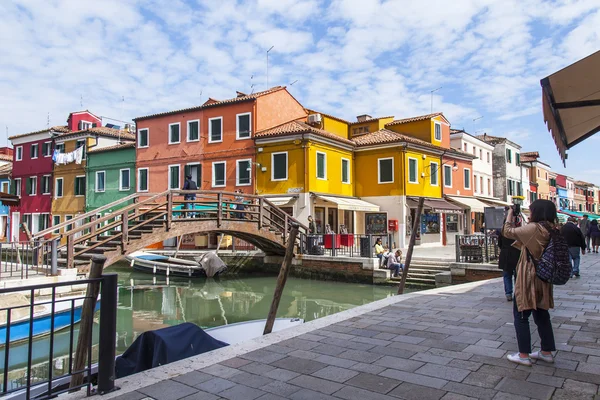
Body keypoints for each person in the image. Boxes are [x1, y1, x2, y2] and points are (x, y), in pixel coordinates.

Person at [502, 199, 557, 367]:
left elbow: (507, 231)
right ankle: (546, 352)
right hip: (544, 277)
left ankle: (523, 354)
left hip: (529, 277)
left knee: (521, 314)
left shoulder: (534, 228)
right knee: (542, 314)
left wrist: (510, 213)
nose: (530, 213)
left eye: (532, 210)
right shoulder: (552, 228)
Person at [498, 223, 521, 301]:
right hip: (516, 255)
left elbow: (499, 244)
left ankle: (508, 294)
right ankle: (518, 293)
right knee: (517, 276)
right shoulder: (517, 232)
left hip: (505, 255)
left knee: (507, 275)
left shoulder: (502, 232)